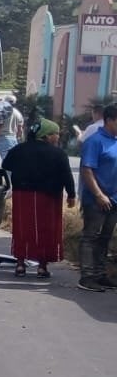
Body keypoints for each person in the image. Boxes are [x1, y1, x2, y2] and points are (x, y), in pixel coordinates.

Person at [1, 118, 76, 277]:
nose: (58, 137)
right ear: (47, 136)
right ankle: (42, 267)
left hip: (23, 195)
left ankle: (20, 265)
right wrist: (71, 195)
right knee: (46, 230)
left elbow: (6, 165)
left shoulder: (19, 149)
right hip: (48, 196)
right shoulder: (58, 153)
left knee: (22, 228)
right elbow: (66, 175)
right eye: (56, 134)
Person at [77, 104, 117, 293]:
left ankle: (101, 274)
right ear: (110, 120)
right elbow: (87, 169)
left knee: (105, 237)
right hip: (96, 199)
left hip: (114, 199)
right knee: (90, 237)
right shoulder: (95, 141)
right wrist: (98, 194)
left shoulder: (115, 140)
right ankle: (87, 276)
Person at [0, 94, 24, 158]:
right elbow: (20, 130)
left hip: (3, 139)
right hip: (14, 140)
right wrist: (18, 139)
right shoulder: (18, 113)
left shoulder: (2, 112)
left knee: (1, 161)